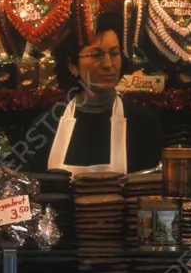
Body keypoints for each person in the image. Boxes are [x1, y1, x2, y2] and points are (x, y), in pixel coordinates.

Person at [25, 14, 164, 175]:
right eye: (96, 55)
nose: (107, 64)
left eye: (114, 53)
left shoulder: (144, 125)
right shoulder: (46, 127)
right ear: (73, 66)